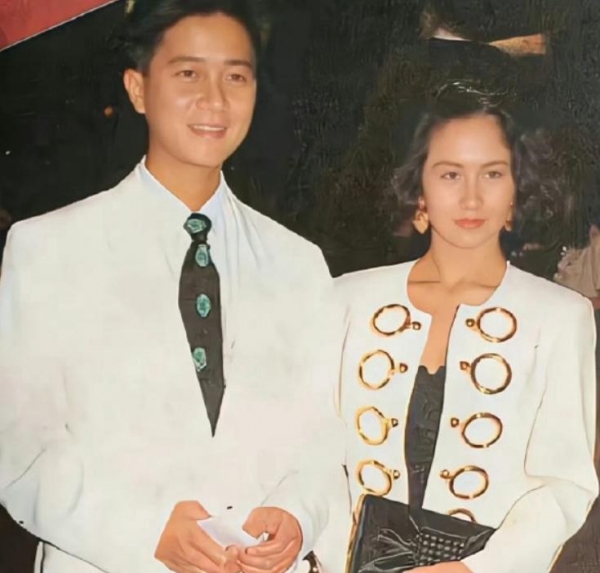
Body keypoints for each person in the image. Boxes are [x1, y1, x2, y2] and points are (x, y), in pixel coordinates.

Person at [0, 1, 349, 573]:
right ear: (138, 89)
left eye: (236, 77)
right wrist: (148, 533)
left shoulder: (298, 263)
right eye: (188, 73)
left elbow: (321, 440)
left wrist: (297, 517)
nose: (215, 100)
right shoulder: (49, 249)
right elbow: (20, 449)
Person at [335, 85, 598, 573]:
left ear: (517, 189)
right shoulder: (345, 300)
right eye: (450, 173)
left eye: (492, 173)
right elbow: (310, 455)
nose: (471, 197)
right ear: (419, 189)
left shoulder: (562, 317)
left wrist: (475, 570)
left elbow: (564, 485)